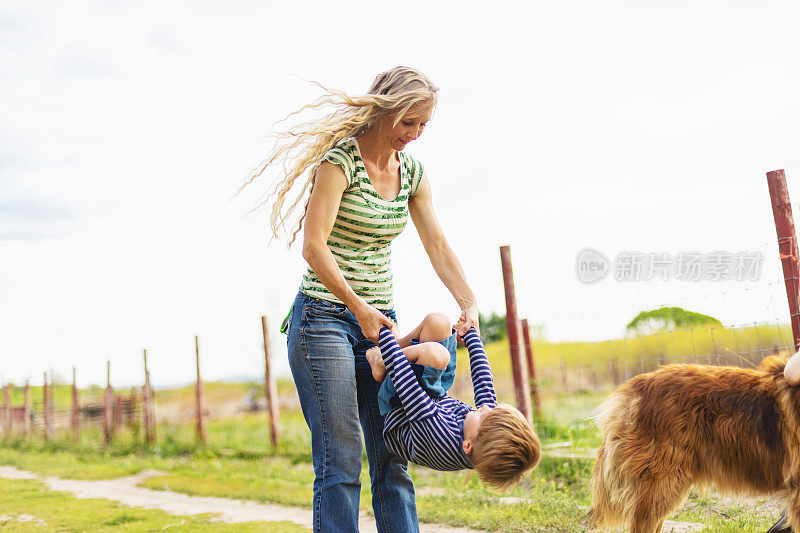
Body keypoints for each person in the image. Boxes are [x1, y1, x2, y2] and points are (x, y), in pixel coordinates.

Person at [243, 67, 480, 532]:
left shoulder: (411, 173)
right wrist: (357, 305)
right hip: (324, 320)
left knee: (391, 455)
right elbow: (314, 246)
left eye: (423, 126)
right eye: (408, 122)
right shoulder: (340, 163)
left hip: (380, 324)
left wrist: (468, 303)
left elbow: (437, 244)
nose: (413, 135)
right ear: (385, 110)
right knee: (342, 458)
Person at [366, 319, 541, 488]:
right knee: (438, 323)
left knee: (437, 355)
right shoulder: (481, 431)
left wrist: (384, 332)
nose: (486, 407)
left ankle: (380, 361)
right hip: (432, 400)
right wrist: (471, 335)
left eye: (484, 414)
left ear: (467, 446)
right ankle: (396, 348)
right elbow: (484, 381)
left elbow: (406, 384)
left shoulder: (438, 435)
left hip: (400, 408)